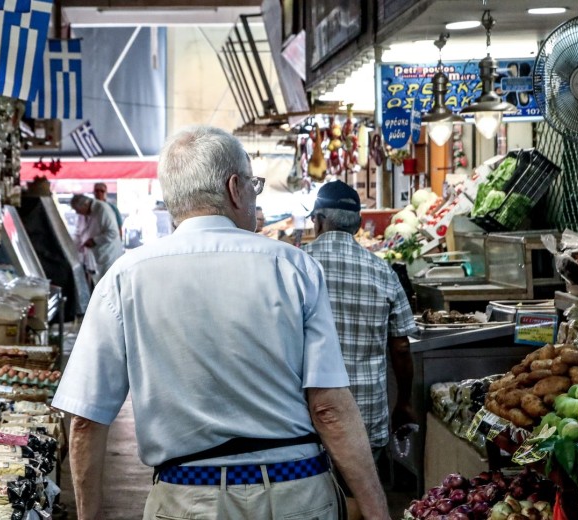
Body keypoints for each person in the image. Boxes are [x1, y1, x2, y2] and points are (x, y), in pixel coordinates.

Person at [53, 126, 388, 520]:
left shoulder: (124, 277)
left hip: (187, 497)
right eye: (254, 185)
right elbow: (329, 408)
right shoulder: (293, 266)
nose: (254, 196)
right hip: (295, 491)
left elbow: (86, 423)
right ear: (234, 188)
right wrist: (377, 511)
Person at [303, 181, 416, 519]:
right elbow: (400, 346)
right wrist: (404, 402)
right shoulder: (382, 271)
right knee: (364, 502)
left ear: (320, 220)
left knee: (314, 505)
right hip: (366, 417)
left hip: (304, 417)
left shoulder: (296, 265)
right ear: (355, 223)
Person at [70, 193, 125, 284]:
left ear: (85, 204)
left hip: (107, 255)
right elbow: (79, 232)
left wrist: (94, 240)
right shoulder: (83, 214)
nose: (77, 212)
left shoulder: (102, 209)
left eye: (78, 210)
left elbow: (113, 233)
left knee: (108, 285)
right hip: (93, 257)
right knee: (98, 285)